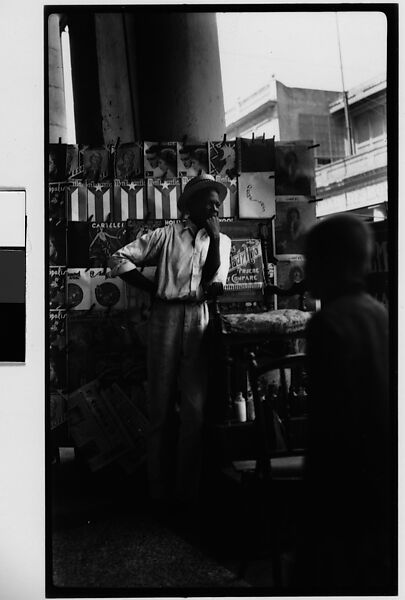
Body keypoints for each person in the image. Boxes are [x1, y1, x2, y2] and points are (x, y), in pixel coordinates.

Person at [109, 174, 231, 508]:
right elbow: (118, 258)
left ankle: (186, 495)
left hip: (198, 317)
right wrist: (156, 289)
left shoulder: (223, 241)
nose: (215, 207)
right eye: (208, 201)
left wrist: (217, 239)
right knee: (160, 406)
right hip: (164, 317)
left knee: (194, 408)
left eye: (218, 202)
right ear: (190, 205)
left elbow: (212, 284)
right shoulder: (166, 236)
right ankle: (158, 492)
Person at [294, 213, 391, 592]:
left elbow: (327, 431)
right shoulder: (379, 313)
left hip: (344, 489)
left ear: (331, 263)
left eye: (311, 259)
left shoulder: (328, 323)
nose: (305, 268)